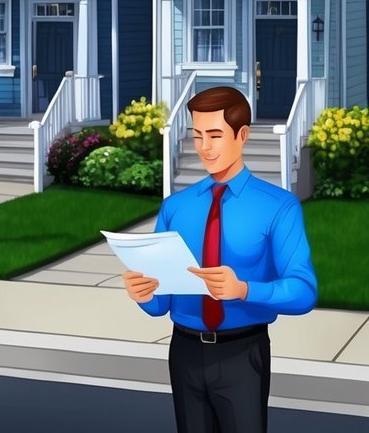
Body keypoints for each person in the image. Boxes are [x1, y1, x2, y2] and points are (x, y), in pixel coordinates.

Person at [121, 86, 317, 432]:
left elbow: (303, 291)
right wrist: (144, 294)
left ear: (242, 135)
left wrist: (244, 289)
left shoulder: (278, 206)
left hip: (242, 353)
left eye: (215, 135)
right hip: (183, 351)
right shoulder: (176, 208)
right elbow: (160, 304)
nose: (204, 148)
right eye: (197, 135)